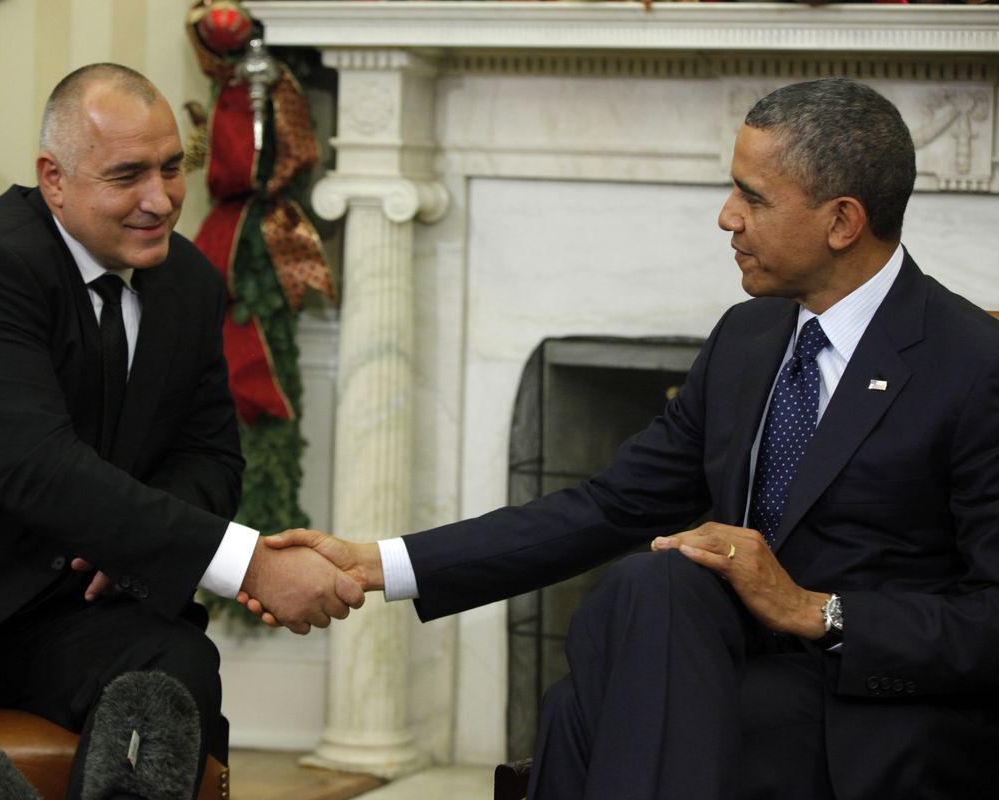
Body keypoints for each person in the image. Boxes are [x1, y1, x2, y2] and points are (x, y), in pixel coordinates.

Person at [247, 77, 999, 799]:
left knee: (584, 708)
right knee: (651, 582)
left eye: (754, 197)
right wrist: (378, 563)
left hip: (864, 706)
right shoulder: (749, 338)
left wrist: (816, 609)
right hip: (724, 668)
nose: (726, 217)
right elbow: (609, 505)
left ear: (841, 221)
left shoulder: (971, 365)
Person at [0, 63, 360, 799]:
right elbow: (39, 470)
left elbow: (209, 454)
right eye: (126, 175)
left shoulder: (188, 283)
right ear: (54, 178)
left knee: (175, 662)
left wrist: (127, 550)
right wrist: (250, 566)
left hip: (56, 613)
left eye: (170, 168)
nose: (158, 200)